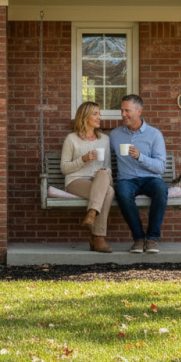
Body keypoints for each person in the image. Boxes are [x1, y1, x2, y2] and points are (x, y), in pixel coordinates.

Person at [109, 94, 168, 254]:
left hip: (150, 179)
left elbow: (161, 167)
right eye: (122, 111)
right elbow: (106, 157)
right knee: (122, 192)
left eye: (127, 110)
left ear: (139, 111)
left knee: (161, 188)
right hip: (127, 179)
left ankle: (152, 238)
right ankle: (138, 239)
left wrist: (140, 157)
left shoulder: (155, 135)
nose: (123, 115)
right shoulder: (115, 135)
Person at [60, 101, 115, 253]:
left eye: (99, 113)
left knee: (104, 174)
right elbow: (64, 169)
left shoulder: (104, 139)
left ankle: (91, 213)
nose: (99, 117)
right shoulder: (71, 139)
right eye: (95, 114)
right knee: (109, 192)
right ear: (84, 117)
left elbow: (108, 166)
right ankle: (98, 237)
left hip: (99, 179)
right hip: (76, 181)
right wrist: (83, 159)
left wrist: (105, 170)